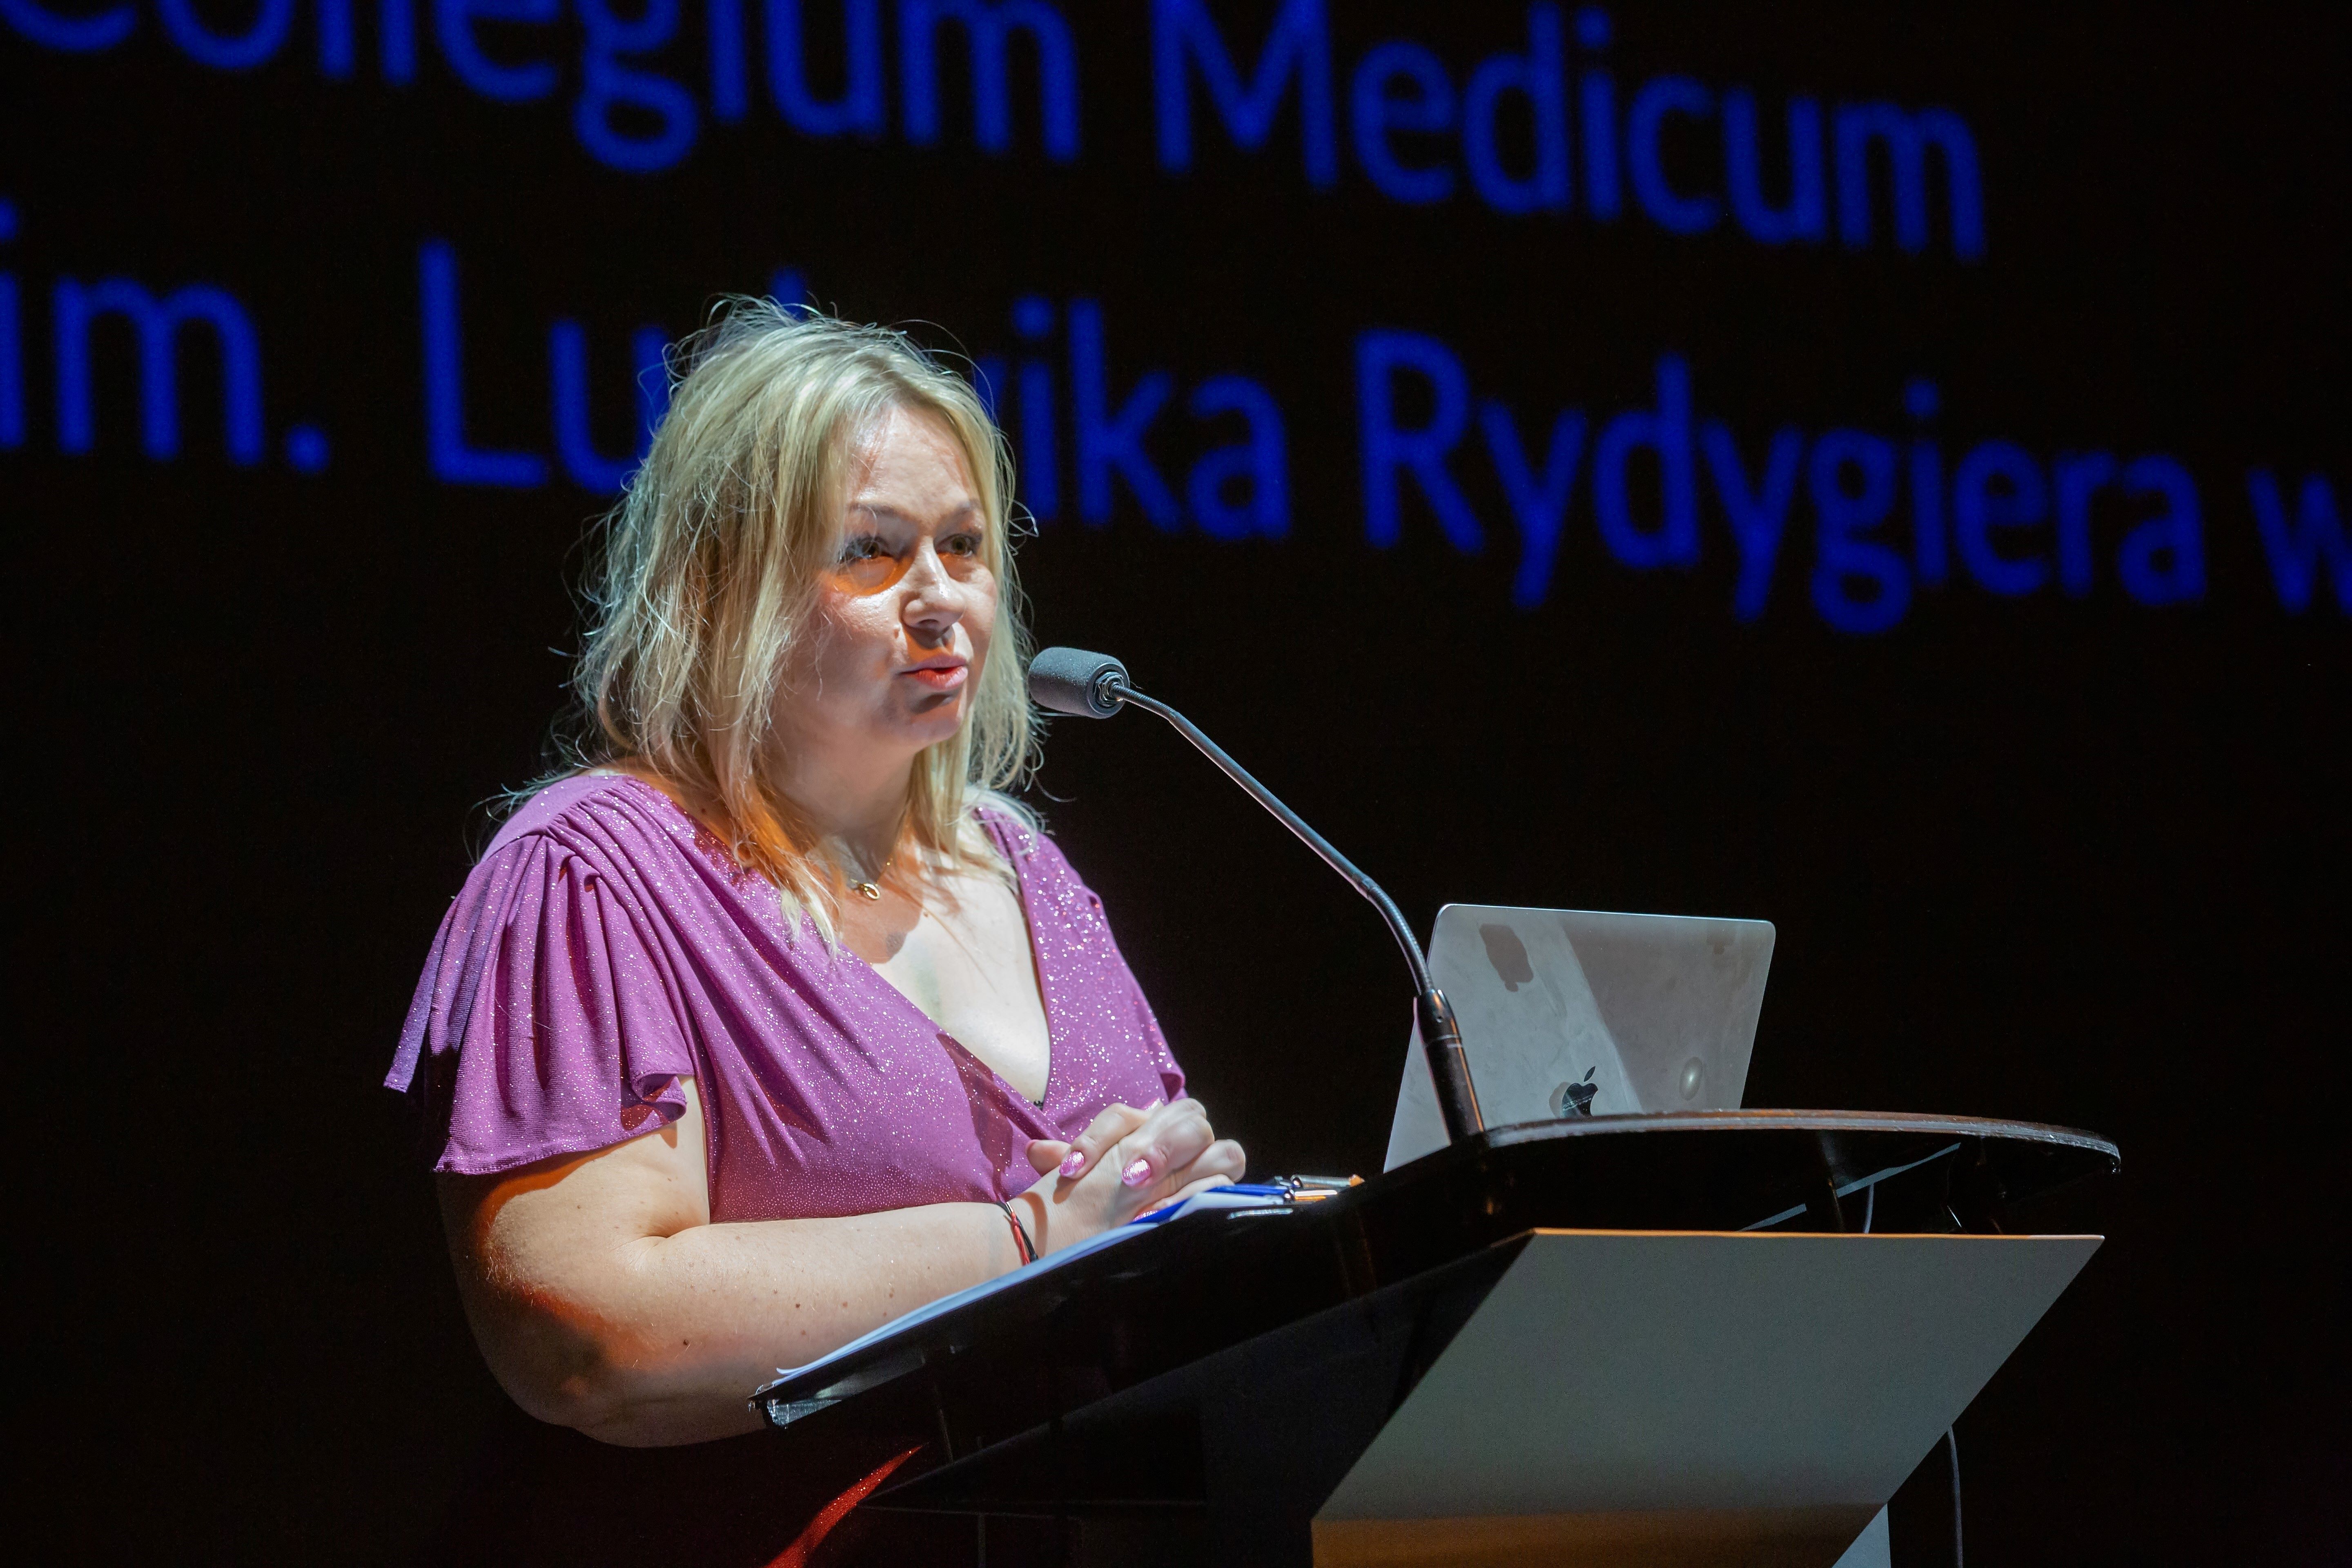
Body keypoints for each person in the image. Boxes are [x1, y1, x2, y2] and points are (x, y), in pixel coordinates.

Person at [387, 303, 1247, 1453]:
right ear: (725, 587)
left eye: (965, 546)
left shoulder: (1027, 869)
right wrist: (1027, 1243)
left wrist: (1180, 1196)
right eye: (872, 551)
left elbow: (1129, 1207)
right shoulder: (592, 875)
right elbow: (590, 1335)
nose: (940, 597)